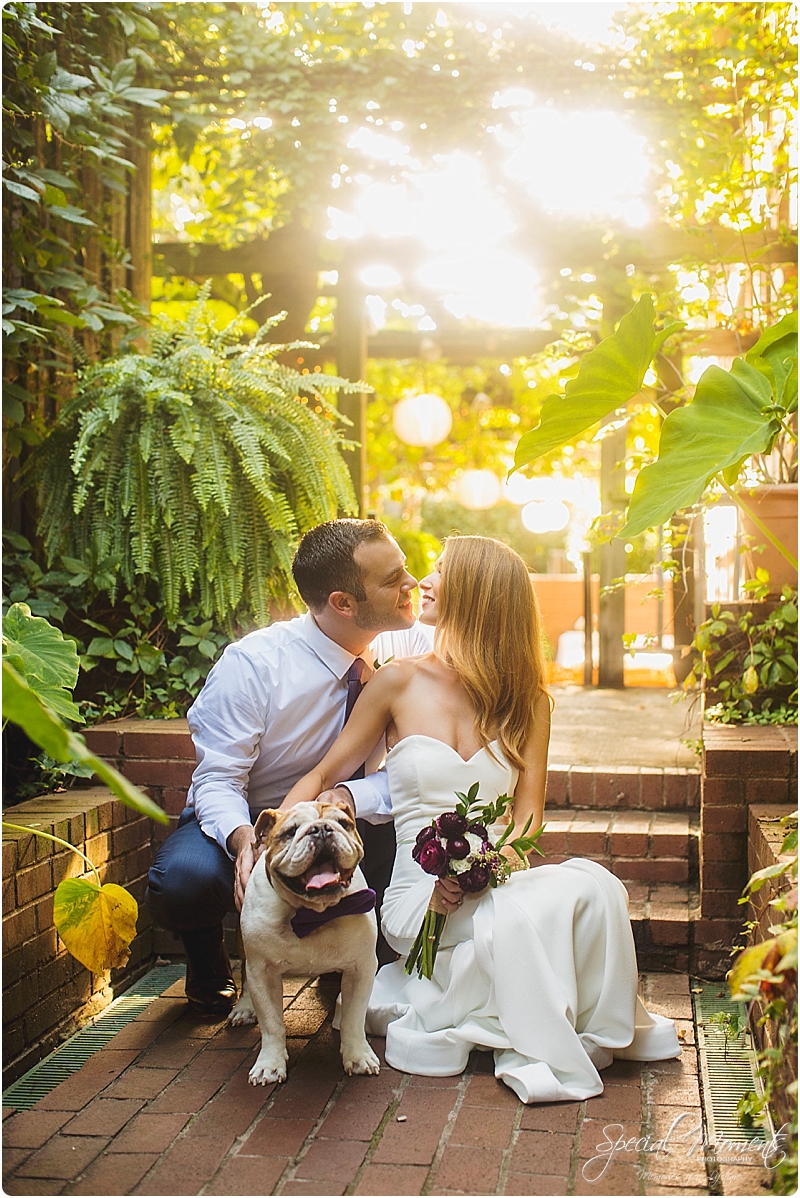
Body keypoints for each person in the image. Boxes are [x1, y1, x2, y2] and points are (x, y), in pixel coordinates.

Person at [282, 535, 680, 1102]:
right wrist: (275, 839)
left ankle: (580, 1017)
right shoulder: (397, 680)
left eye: (440, 571)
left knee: (598, 885)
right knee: (533, 911)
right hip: (418, 894)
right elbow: (323, 776)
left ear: (477, 592)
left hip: (493, 876)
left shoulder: (530, 701)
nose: (423, 580)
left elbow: (527, 817)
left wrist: (484, 869)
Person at [146, 519, 431, 1015]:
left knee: (392, 931)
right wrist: (245, 842)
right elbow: (217, 779)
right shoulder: (254, 664)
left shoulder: (413, 646)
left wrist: (350, 798)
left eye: (404, 569)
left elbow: (426, 761)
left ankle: (346, 958)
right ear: (343, 603)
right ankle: (208, 957)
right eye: (393, 580)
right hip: (252, 814)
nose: (412, 585)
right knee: (184, 882)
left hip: (353, 814)